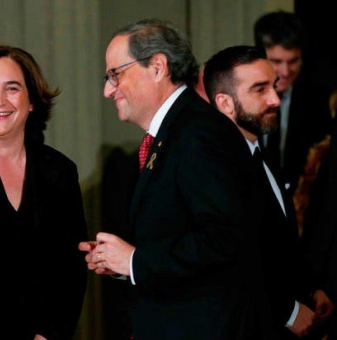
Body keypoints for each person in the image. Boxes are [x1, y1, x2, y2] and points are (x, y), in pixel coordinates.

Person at [79, 19, 262, 339]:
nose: (108, 90)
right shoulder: (175, 132)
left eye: (115, 74)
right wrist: (124, 262)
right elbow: (181, 234)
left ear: (158, 66)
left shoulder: (196, 133)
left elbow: (225, 239)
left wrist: (135, 260)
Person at [0, 45, 87, 339]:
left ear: (31, 99)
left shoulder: (59, 170)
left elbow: (70, 269)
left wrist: (48, 333)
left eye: (12, 88)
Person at [203, 45, 334, 338]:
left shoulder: (263, 152)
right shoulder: (214, 169)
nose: (275, 98)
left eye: (273, 87)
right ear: (224, 102)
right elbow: (234, 262)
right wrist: (289, 312)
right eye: (260, 89)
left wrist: (311, 289)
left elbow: (279, 242)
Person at [254, 11, 333, 193]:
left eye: (293, 61)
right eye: (276, 61)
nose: (285, 71)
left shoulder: (322, 100)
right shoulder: (242, 95)